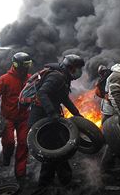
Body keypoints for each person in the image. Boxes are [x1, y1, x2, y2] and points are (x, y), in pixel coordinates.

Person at [28, 54, 84, 187]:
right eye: (78, 68)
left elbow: (64, 98)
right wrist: (52, 113)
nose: (80, 71)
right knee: (51, 150)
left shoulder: (64, 77)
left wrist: (77, 114)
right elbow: (42, 93)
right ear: (70, 68)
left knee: (59, 147)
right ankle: (45, 183)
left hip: (51, 118)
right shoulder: (56, 76)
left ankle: (65, 178)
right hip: (42, 119)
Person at [0, 52, 32, 187]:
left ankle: (20, 174)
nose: (27, 68)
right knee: (9, 142)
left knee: (23, 144)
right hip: (8, 118)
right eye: (25, 65)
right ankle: (6, 156)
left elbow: (37, 94)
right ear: (16, 65)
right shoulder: (5, 79)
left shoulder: (30, 79)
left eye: (29, 65)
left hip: (24, 118)